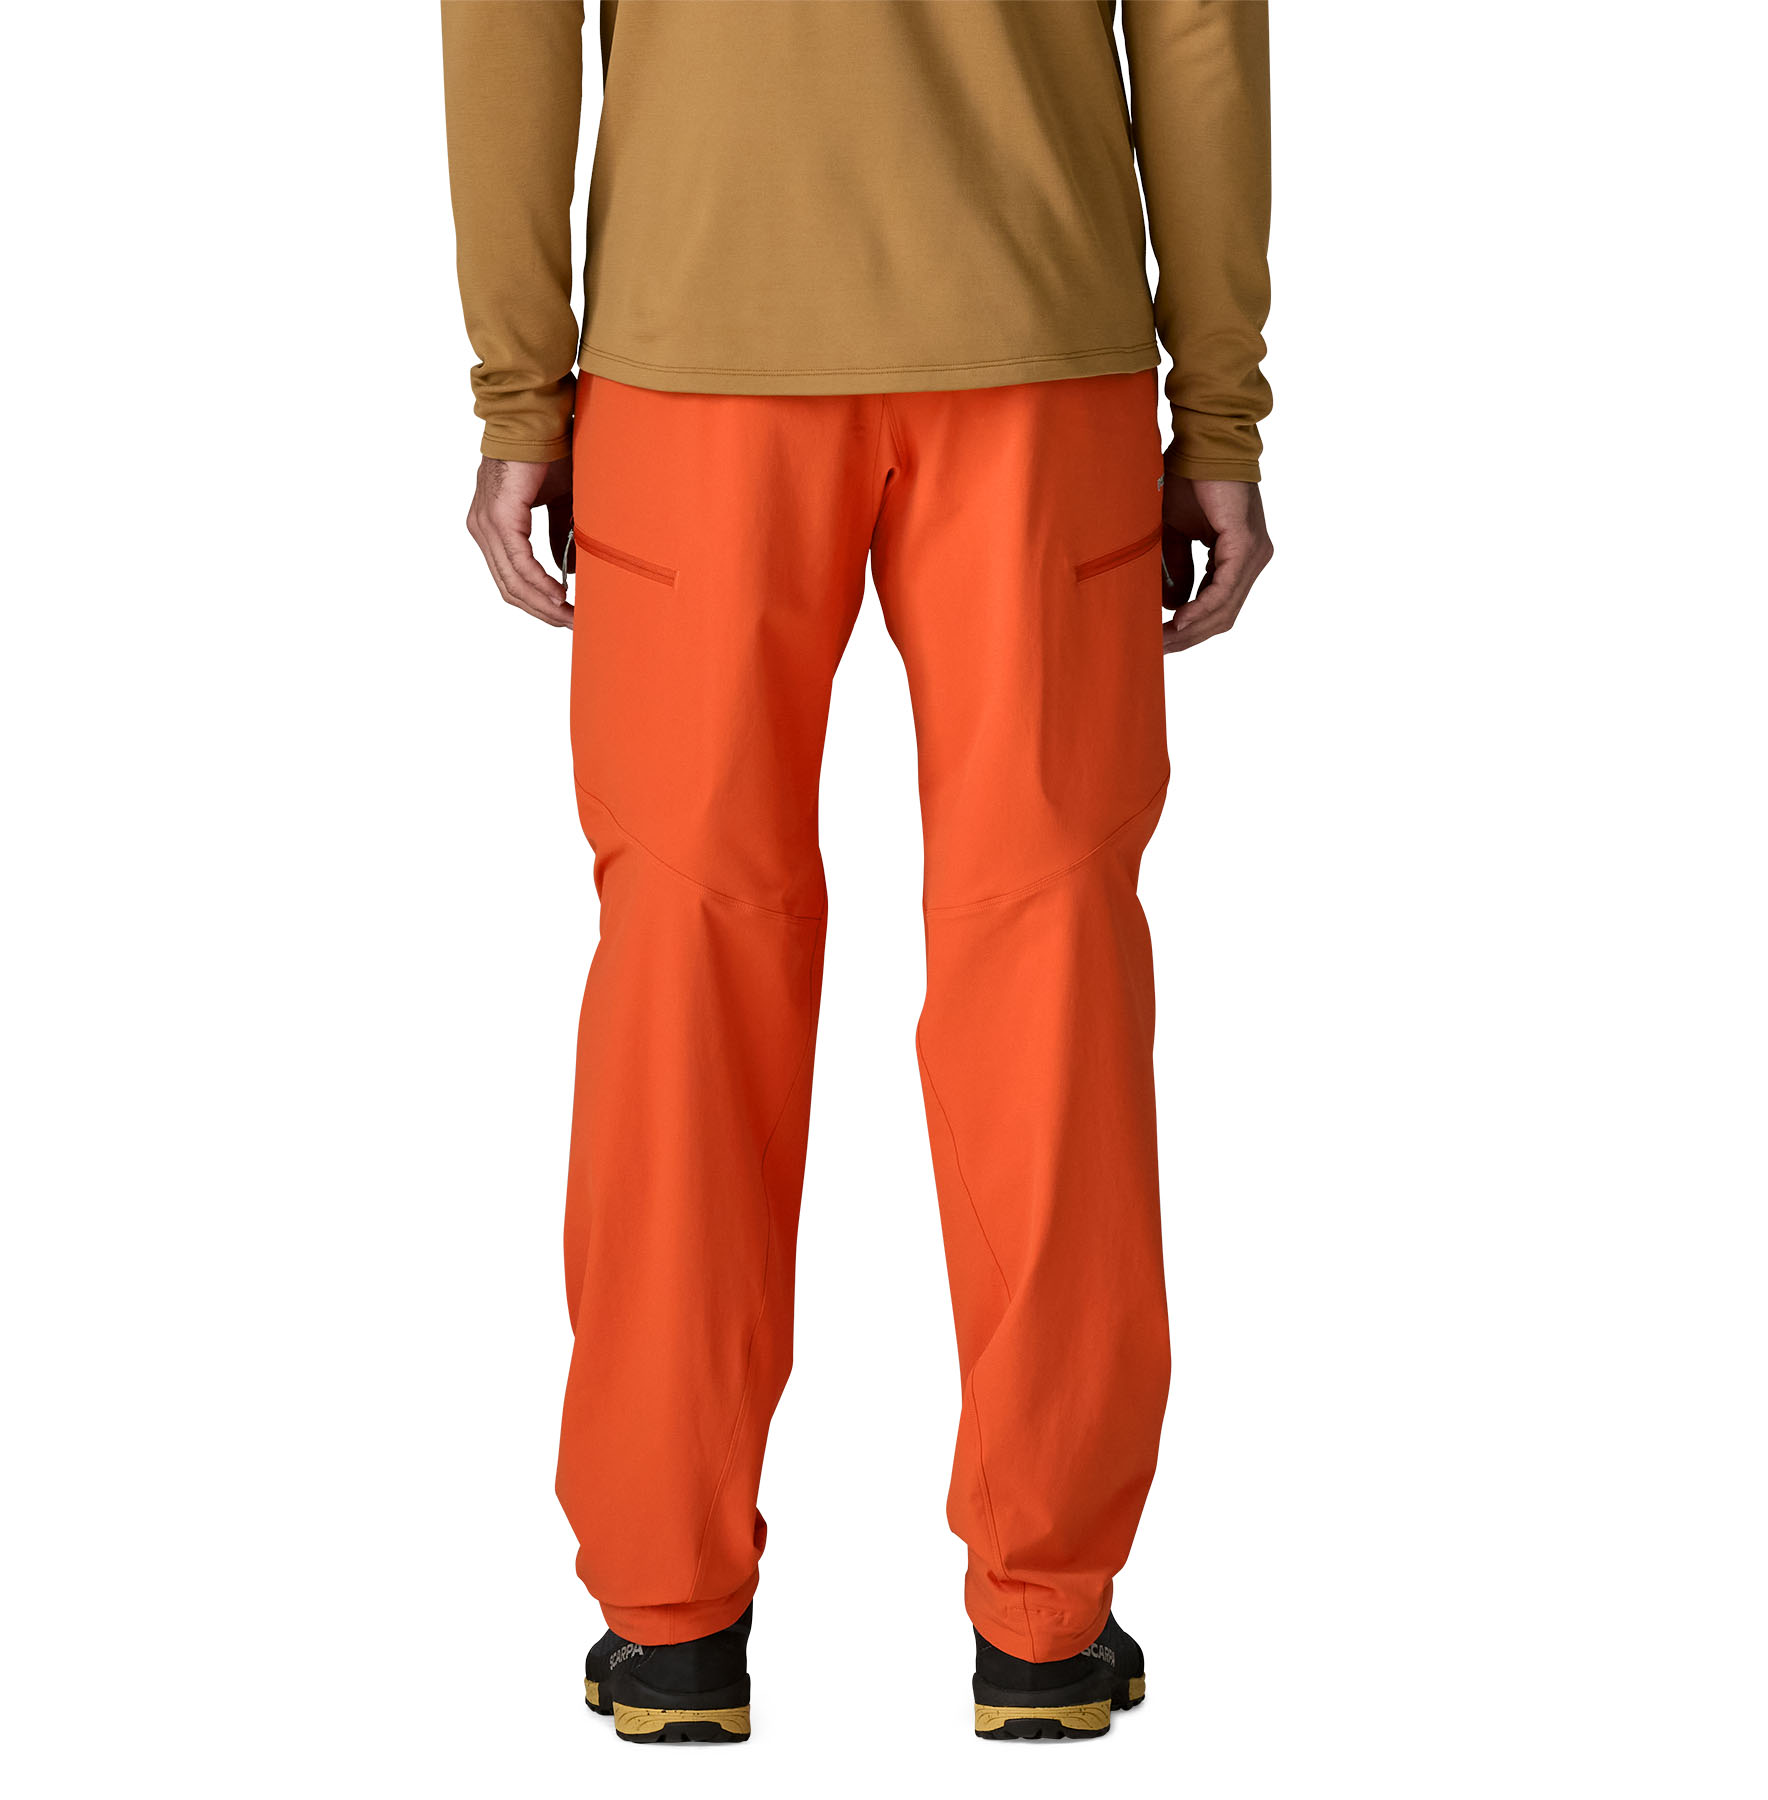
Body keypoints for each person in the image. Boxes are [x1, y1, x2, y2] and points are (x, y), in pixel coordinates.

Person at [443, 0, 1272, 1744]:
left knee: (688, 959)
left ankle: (671, 1617)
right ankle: (1046, 1620)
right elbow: (1195, 24)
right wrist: (1217, 409)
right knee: (1047, 957)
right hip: (1035, 343)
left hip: (694, 357)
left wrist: (523, 382)